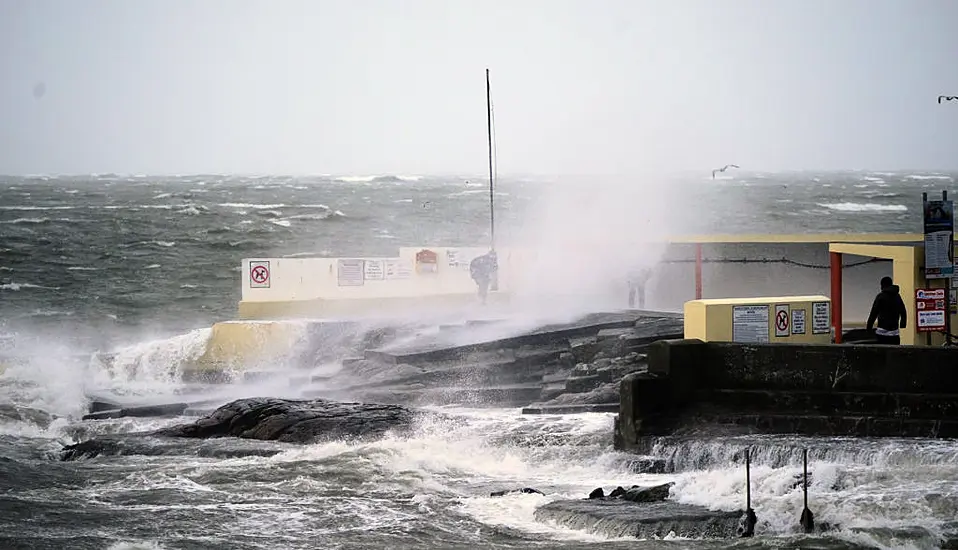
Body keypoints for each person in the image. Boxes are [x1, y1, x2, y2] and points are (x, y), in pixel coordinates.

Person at [866, 276, 907, 345]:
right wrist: (902, 324)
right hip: (895, 333)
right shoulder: (897, 296)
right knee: (894, 353)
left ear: (882, 285)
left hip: (882, 332)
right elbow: (903, 311)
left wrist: (869, 328)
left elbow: (873, 313)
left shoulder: (880, 296)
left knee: (882, 354)